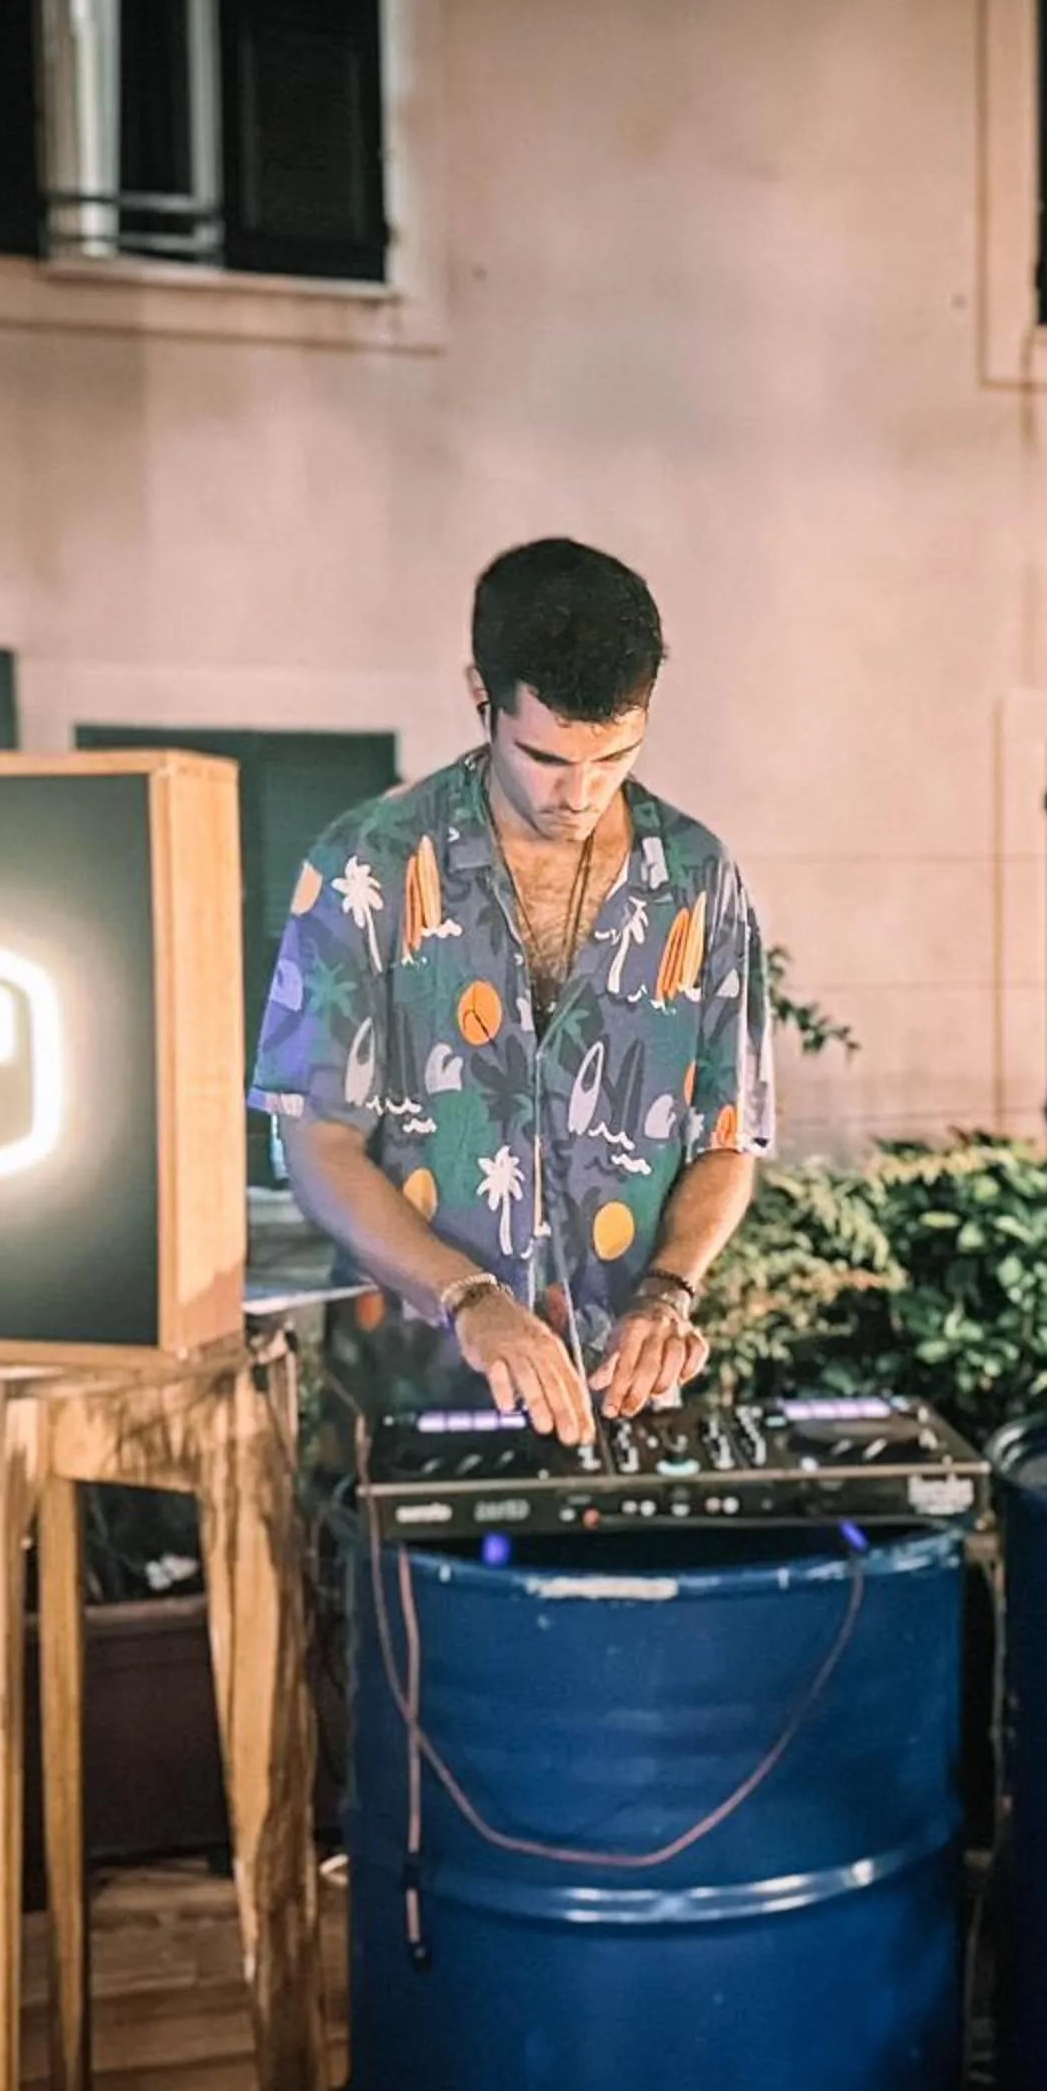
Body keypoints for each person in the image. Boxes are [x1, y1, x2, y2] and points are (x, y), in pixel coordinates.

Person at [252, 537, 775, 1446]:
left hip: (623, 1405)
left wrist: (669, 1289)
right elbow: (316, 1141)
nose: (580, 794)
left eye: (613, 757)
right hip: (407, 1400)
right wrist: (467, 1297)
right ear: (479, 695)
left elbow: (730, 1138)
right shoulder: (365, 864)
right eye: (545, 758)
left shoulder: (699, 877)